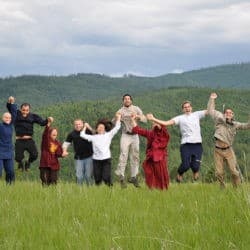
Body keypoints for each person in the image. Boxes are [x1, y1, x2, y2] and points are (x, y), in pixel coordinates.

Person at [147, 101, 207, 183]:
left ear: (191, 108)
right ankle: (179, 174)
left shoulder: (197, 114)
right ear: (183, 109)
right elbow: (166, 123)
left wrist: (212, 99)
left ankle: (195, 171)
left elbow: (209, 110)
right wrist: (153, 119)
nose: (187, 108)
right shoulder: (180, 118)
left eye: (188, 107)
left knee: (196, 166)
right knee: (185, 165)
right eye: (185, 107)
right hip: (186, 145)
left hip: (197, 145)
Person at [207, 92, 250, 188]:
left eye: (230, 113)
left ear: (233, 115)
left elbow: (247, 126)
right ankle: (222, 186)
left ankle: (236, 188)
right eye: (226, 112)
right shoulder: (219, 119)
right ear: (224, 114)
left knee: (234, 172)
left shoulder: (235, 124)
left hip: (229, 150)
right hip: (218, 150)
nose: (228, 114)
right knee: (219, 172)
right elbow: (210, 110)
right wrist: (212, 99)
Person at [7, 101, 51, 171]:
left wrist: (48, 120)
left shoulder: (33, 116)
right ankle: (20, 164)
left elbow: (42, 123)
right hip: (19, 140)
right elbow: (10, 108)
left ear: (29, 110)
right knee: (18, 157)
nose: (25, 112)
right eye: (23, 110)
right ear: (21, 109)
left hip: (29, 140)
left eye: (27, 110)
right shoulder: (16, 114)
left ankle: (28, 162)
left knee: (35, 155)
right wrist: (10, 102)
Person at [114, 94, 147, 188]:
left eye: (128, 99)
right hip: (125, 135)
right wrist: (117, 117)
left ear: (131, 100)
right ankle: (121, 176)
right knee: (123, 154)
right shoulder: (120, 111)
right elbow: (114, 122)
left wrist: (137, 116)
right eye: (125, 99)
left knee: (135, 156)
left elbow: (145, 119)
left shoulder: (136, 109)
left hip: (135, 135)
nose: (127, 100)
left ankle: (134, 177)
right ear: (123, 101)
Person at [80, 113, 121, 186]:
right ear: (97, 129)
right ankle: (98, 191)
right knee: (97, 178)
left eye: (102, 127)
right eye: (99, 127)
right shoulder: (93, 137)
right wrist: (85, 127)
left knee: (106, 177)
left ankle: (110, 188)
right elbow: (82, 135)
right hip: (96, 160)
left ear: (105, 129)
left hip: (106, 159)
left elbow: (117, 127)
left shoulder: (108, 135)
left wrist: (118, 118)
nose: (100, 128)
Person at [131, 114, 170, 190]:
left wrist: (153, 119)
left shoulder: (163, 133)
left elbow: (160, 127)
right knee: (149, 172)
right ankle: (152, 187)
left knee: (161, 173)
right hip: (151, 157)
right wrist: (133, 120)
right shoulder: (150, 134)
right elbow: (138, 130)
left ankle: (163, 188)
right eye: (153, 124)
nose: (155, 125)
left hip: (160, 157)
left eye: (156, 123)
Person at [62, 119, 94, 185]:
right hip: (78, 158)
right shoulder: (72, 134)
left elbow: (96, 134)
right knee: (79, 176)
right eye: (76, 124)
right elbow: (66, 143)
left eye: (79, 124)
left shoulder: (88, 131)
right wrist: (64, 151)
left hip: (89, 157)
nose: (78, 126)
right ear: (74, 125)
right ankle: (79, 191)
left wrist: (89, 127)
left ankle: (90, 191)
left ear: (83, 124)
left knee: (88, 176)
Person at [39, 117, 64, 185]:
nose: (55, 133)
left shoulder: (57, 143)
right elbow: (45, 134)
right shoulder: (46, 141)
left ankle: (53, 194)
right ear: (50, 133)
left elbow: (58, 153)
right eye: (53, 132)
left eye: (56, 133)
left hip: (54, 165)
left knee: (54, 182)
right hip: (45, 164)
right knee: (45, 181)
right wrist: (48, 124)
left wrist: (62, 154)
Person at [0, 96, 17, 184]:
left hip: (9, 152)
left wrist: (11, 103)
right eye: (6, 117)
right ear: (3, 118)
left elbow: (14, 113)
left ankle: (10, 187)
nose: (8, 119)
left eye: (9, 118)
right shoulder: (0, 126)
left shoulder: (10, 125)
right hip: (0, 152)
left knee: (10, 172)